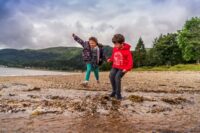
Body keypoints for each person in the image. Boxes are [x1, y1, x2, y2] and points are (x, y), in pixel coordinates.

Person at [107, 34, 133, 100]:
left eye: (117, 44)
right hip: (115, 66)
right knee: (111, 76)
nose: (115, 46)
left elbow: (130, 62)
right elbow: (113, 56)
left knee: (117, 77)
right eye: (114, 44)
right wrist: (110, 59)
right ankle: (114, 91)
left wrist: (127, 69)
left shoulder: (127, 51)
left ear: (122, 43)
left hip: (123, 68)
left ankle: (118, 95)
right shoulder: (115, 48)